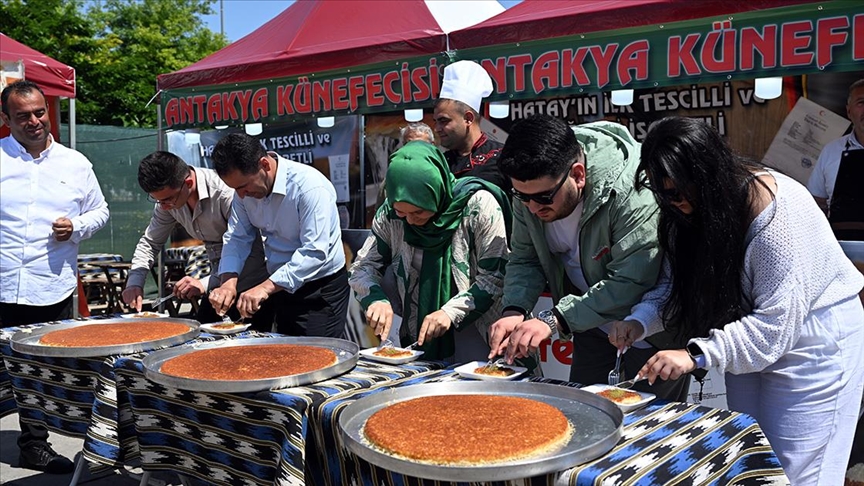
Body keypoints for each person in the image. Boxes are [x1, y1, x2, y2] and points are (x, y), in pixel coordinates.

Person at [609, 116, 864, 485]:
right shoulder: (687, 213)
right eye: (663, 193)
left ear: (709, 175)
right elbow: (673, 287)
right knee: (755, 459)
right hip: (747, 335)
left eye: (679, 192)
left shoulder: (776, 213)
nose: (674, 203)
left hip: (813, 338)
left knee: (800, 468)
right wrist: (640, 320)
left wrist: (695, 355)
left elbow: (776, 325)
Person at [487, 114, 689, 402]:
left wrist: (554, 319)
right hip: (588, 324)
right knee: (583, 413)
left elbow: (631, 281)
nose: (532, 208)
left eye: (544, 198)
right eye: (522, 197)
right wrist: (514, 310)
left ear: (578, 175)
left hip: (653, 331)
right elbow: (525, 258)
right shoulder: (532, 192)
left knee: (645, 428)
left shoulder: (632, 191)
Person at [0, 80, 109, 473]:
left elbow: (100, 211)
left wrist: (76, 226)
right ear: (5, 119)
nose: (33, 121)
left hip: (52, 287)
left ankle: (34, 445)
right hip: (2, 282)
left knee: (44, 374)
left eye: (39, 112)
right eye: (22, 115)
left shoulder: (75, 163)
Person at [349, 141, 512, 362]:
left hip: (481, 330)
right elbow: (363, 267)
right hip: (422, 331)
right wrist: (375, 298)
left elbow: (494, 276)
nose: (410, 220)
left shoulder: (478, 207)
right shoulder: (390, 214)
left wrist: (449, 312)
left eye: (418, 211)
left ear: (437, 192)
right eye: (402, 212)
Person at [208, 133, 349, 338]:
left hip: (319, 288)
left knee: (317, 359)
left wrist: (264, 288)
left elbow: (315, 252)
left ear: (264, 164)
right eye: (234, 189)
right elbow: (237, 237)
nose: (240, 195)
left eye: (243, 186)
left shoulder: (309, 187)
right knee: (284, 354)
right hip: (278, 285)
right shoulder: (243, 193)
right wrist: (228, 281)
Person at [121, 151, 274, 329]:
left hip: (253, 286)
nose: (163, 207)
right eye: (156, 200)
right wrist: (134, 282)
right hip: (218, 287)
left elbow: (249, 250)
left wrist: (203, 283)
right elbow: (150, 242)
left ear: (188, 183)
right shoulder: (168, 199)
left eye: (168, 200)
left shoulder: (225, 193)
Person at [433, 60, 509, 191]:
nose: (437, 129)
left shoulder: (502, 157)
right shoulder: (440, 163)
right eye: (436, 122)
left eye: (444, 121)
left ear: (468, 119)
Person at [807, 78, 864, 240]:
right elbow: (817, 202)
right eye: (861, 102)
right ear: (849, 111)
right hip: (843, 250)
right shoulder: (831, 151)